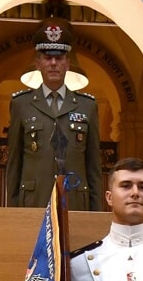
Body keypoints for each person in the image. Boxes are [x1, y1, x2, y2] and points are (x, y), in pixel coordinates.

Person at [6, 18, 103, 211]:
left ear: (67, 63)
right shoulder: (21, 104)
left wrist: (96, 214)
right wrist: (13, 211)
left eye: (59, 58)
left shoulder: (87, 106)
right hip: (34, 202)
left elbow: (93, 167)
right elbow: (14, 164)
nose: (53, 63)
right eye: (47, 58)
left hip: (75, 202)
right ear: (38, 63)